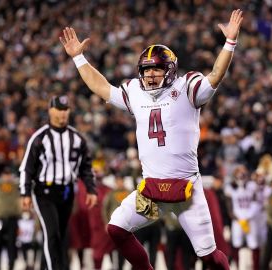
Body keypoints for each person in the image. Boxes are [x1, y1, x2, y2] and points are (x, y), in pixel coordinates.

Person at [60, 8, 243, 270]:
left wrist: (230, 42)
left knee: (209, 256)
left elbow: (215, 75)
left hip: (186, 190)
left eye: (157, 69)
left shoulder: (186, 87)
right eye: (146, 70)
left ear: (170, 69)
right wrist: (78, 58)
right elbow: (102, 88)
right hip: (152, 190)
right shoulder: (136, 91)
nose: (150, 75)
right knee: (116, 229)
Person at [19, 94, 97, 270]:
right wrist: (25, 193)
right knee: (51, 233)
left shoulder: (77, 138)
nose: (62, 114)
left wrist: (91, 190)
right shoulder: (40, 137)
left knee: (62, 236)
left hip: (67, 191)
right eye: (59, 110)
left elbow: (86, 167)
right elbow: (27, 168)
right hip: (44, 191)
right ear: (50, 110)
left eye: (66, 110)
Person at [0, 167, 21, 270]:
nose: (7, 177)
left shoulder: (16, 186)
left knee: (12, 244)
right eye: (5, 174)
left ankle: (11, 266)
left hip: (13, 219)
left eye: (8, 174)